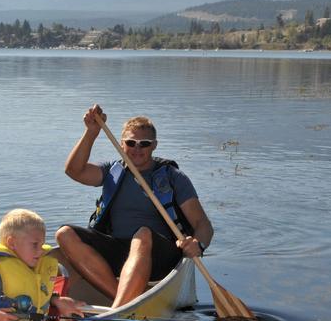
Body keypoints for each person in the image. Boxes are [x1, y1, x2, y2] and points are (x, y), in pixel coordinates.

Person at [55, 105, 214, 307]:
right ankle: (122, 304)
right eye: (131, 142)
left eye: (144, 144)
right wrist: (91, 132)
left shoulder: (173, 178)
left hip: (159, 256)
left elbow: (203, 224)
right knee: (64, 233)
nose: (137, 149)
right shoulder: (112, 171)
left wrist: (198, 244)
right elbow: (74, 171)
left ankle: (121, 306)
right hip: (119, 251)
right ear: (121, 144)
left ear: (154, 145)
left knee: (142, 236)